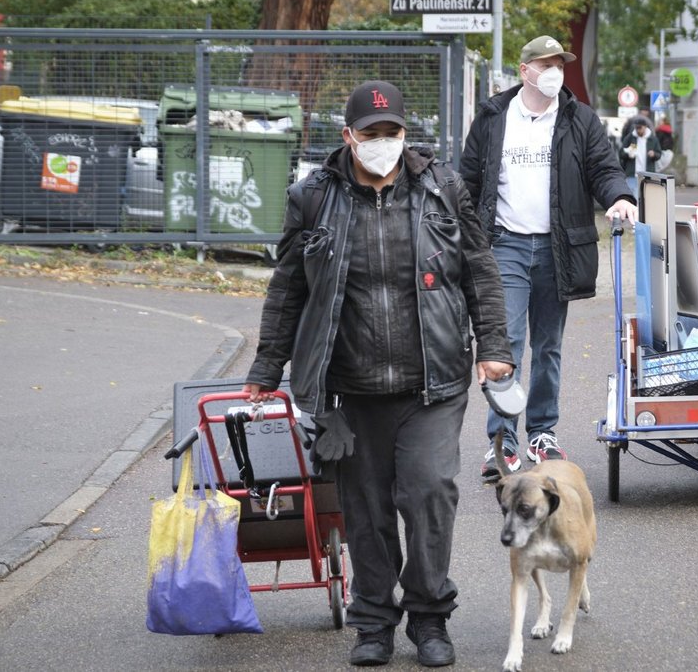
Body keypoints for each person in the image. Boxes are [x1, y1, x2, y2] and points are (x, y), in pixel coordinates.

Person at [242, 80, 514, 668]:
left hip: (432, 382)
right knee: (365, 513)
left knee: (429, 495)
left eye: (393, 133)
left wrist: (494, 344)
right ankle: (373, 623)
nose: (384, 143)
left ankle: (430, 618)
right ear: (348, 137)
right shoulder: (312, 197)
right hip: (349, 389)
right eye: (372, 134)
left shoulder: (442, 188)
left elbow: (481, 270)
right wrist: (268, 366)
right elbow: (288, 289)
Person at [459, 35, 638, 481]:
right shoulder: (494, 116)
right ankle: (502, 440)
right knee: (507, 344)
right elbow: (468, 177)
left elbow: (604, 167)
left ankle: (542, 432)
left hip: (557, 246)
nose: (554, 70)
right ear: (525, 71)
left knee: (549, 346)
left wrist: (619, 197)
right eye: (545, 63)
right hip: (506, 245)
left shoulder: (579, 118)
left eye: (559, 62)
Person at [621, 121, 657, 197]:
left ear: (645, 127)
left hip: (647, 174)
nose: (638, 130)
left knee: (646, 196)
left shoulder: (652, 139)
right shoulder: (630, 138)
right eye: (636, 128)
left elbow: (659, 153)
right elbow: (621, 153)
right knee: (633, 196)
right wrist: (628, 154)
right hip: (632, 174)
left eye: (640, 128)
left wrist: (654, 154)